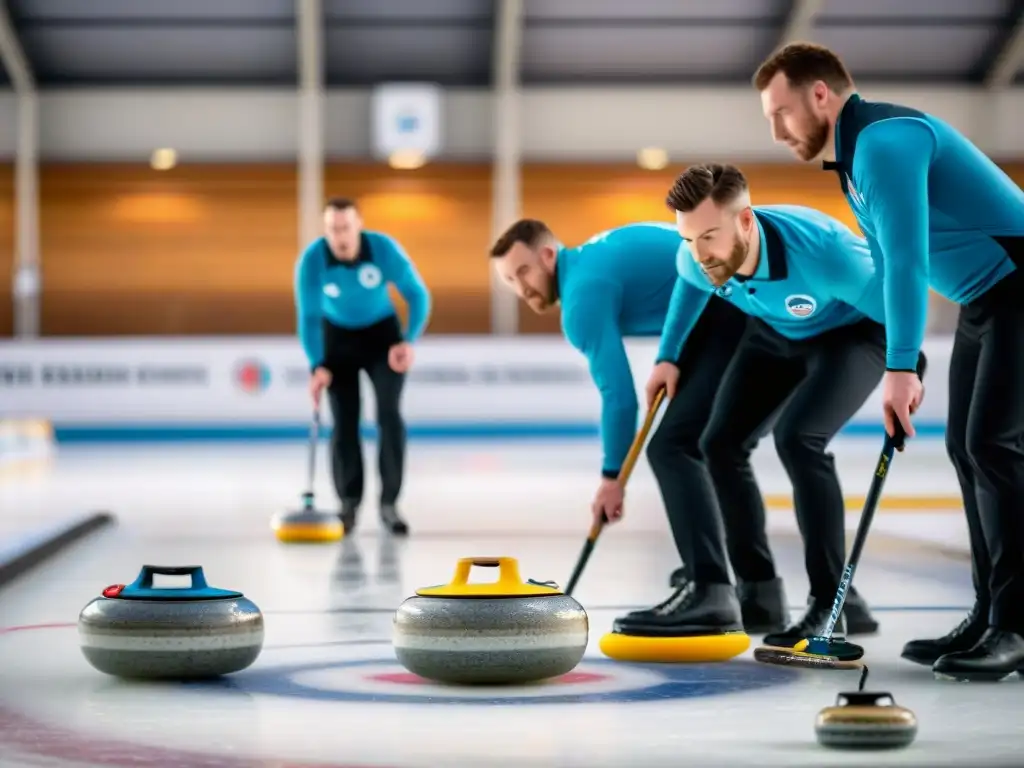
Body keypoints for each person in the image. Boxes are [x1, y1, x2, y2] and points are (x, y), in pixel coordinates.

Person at [753, 42, 1024, 681]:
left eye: (781, 113)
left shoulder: (883, 141)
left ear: (821, 94)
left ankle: (1016, 625)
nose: (776, 130)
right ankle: (990, 614)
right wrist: (900, 354)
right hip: (986, 299)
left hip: (1018, 285)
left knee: (995, 447)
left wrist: (900, 365)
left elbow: (908, 260)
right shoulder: (853, 163)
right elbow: (885, 274)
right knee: (967, 449)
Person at [489, 218, 789, 636]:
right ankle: (758, 596)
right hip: (736, 308)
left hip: (726, 311)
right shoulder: (593, 259)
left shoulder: (580, 296)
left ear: (547, 255)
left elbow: (619, 396)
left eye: (523, 272)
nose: (522, 288)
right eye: (509, 281)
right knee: (716, 448)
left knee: (672, 447)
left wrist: (612, 478)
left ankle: (710, 589)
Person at [640, 162, 886, 644]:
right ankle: (759, 591)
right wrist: (668, 357)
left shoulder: (826, 253)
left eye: (709, 237)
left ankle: (832, 601)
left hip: (853, 334)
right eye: (689, 240)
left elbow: (897, 301)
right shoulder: (696, 255)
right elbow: (689, 286)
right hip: (776, 333)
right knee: (719, 444)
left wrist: (905, 369)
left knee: (798, 440)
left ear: (746, 220)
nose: (699, 253)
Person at [294, 197, 431, 536]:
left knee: (389, 414)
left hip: (382, 337)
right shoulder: (312, 261)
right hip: (336, 338)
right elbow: (309, 318)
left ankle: (389, 504)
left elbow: (418, 295)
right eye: (332, 229)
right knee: (344, 421)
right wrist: (317, 364)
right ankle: (348, 504)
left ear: (358, 226)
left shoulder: (383, 249)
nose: (339, 236)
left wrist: (407, 341)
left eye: (345, 227)